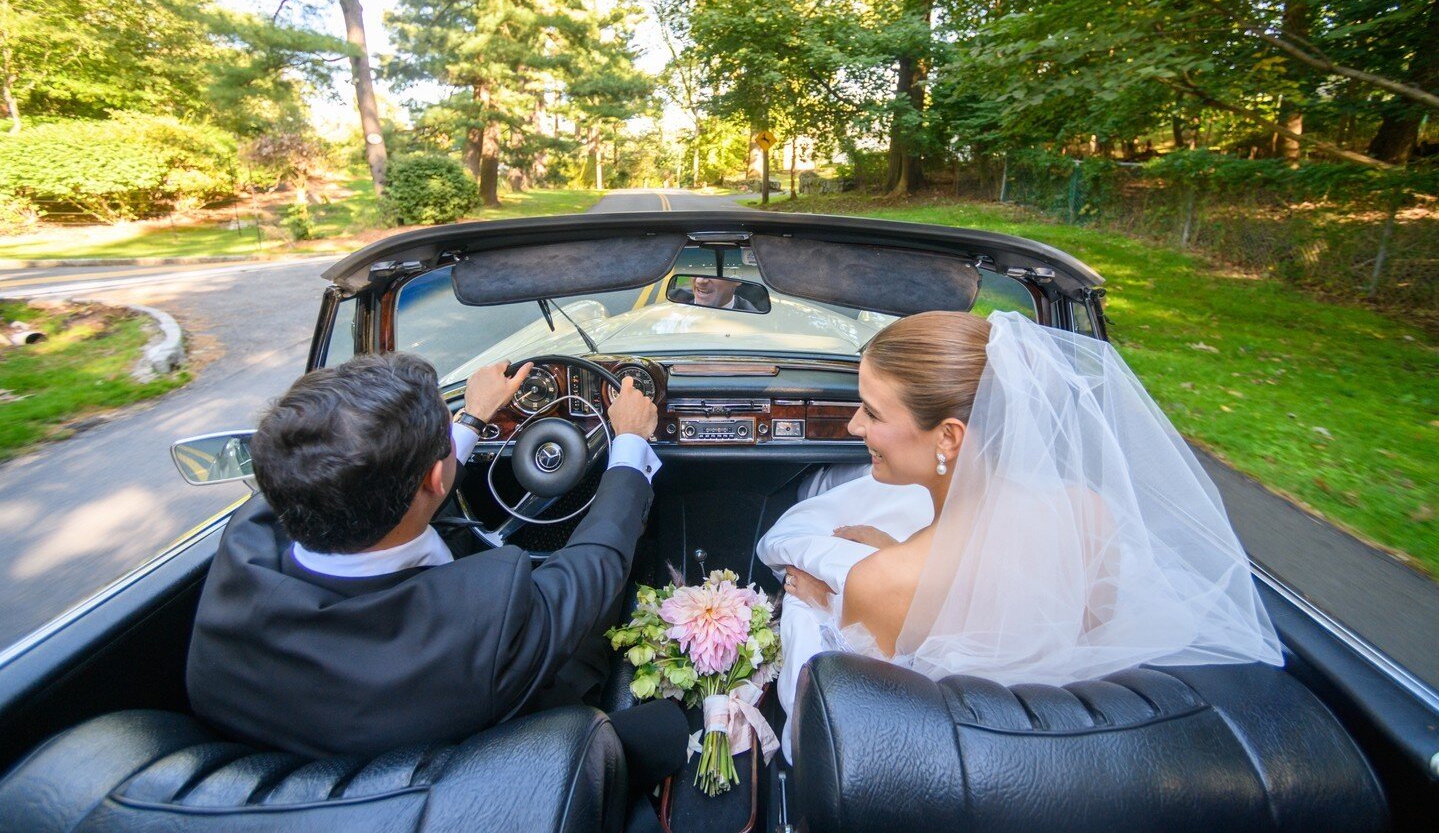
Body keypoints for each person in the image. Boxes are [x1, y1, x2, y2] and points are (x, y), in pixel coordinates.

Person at [186, 353, 687, 823]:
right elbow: (595, 565)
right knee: (665, 728)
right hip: (463, 776)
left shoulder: (244, 540)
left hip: (301, 772)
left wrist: (469, 420)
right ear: (433, 476)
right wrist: (629, 443)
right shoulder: (483, 622)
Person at [759, 310, 1282, 759]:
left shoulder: (882, 582)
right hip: (1074, 756)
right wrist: (897, 553)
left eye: (871, 412)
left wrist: (828, 600)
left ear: (949, 436)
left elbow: (866, 728)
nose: (853, 426)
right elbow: (1076, 639)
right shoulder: (1088, 513)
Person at [669, 275, 759, 311]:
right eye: (695, 274)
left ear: (737, 280)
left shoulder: (754, 317)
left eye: (713, 274)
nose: (699, 281)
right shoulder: (673, 300)